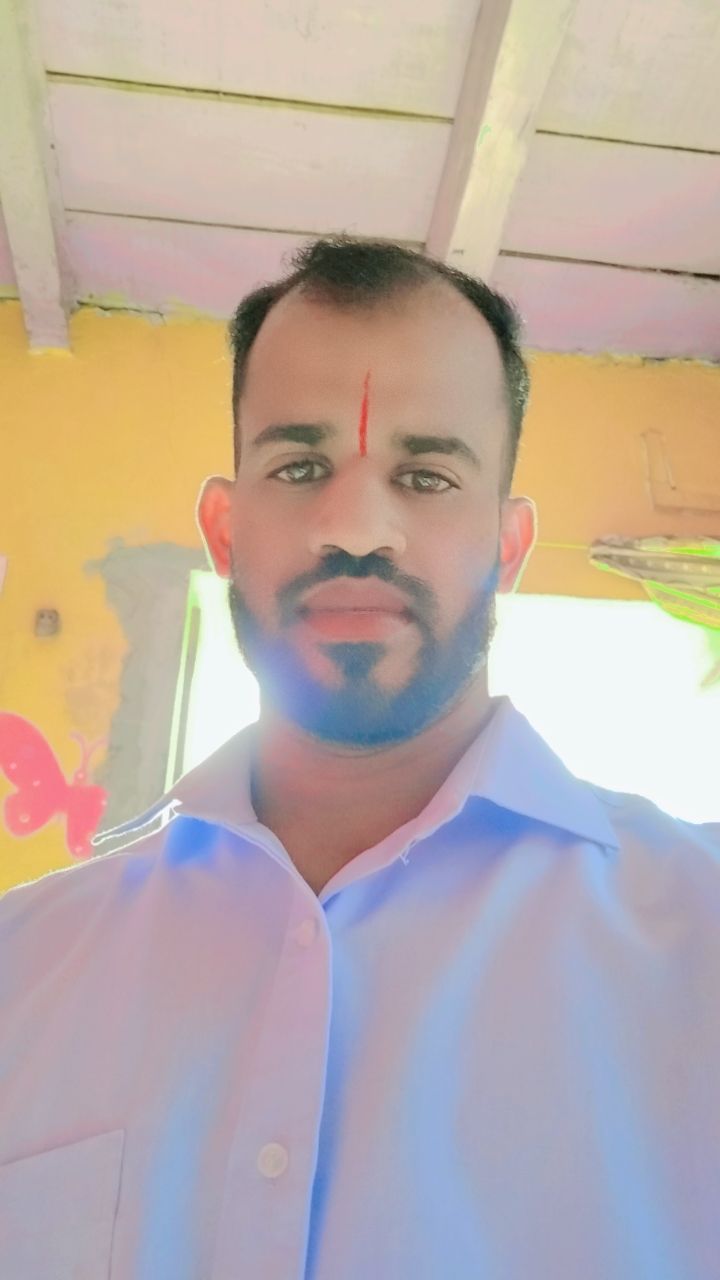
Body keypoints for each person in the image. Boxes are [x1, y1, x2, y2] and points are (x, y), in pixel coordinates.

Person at [1, 235, 718, 1280]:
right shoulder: (21, 968)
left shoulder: (701, 938)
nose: (357, 529)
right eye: (300, 467)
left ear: (508, 548)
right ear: (224, 531)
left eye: (426, 476)